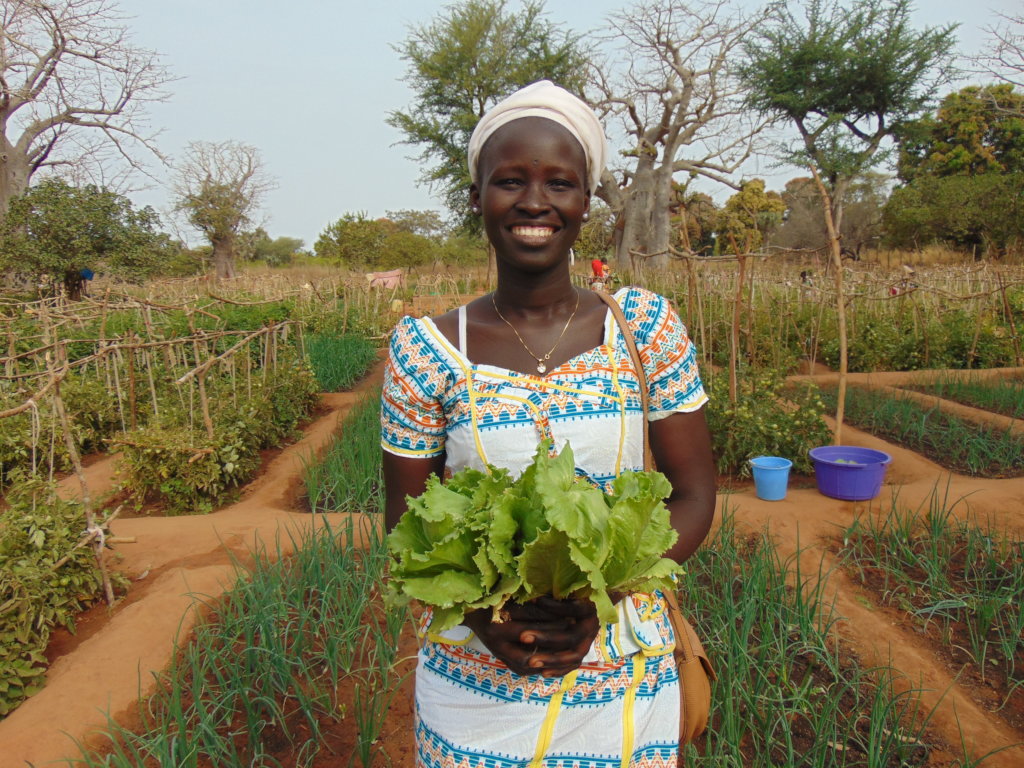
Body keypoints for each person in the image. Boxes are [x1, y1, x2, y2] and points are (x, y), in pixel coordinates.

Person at [381, 80, 716, 768]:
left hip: (623, 668)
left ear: (585, 201)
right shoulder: (426, 351)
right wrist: (485, 617)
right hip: (476, 682)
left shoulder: (644, 329)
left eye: (559, 183)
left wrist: (599, 593)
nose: (535, 202)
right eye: (510, 181)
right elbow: (405, 525)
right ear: (476, 197)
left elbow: (694, 494)